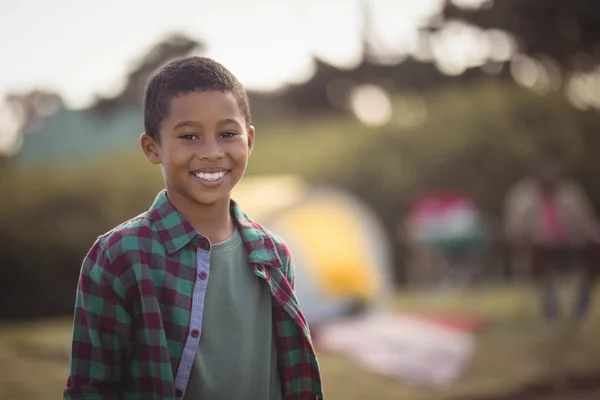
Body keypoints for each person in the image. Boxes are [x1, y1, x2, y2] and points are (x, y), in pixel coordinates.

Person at [63, 57, 323, 400]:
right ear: (152, 148)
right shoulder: (118, 256)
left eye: (228, 134)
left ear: (249, 140)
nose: (212, 152)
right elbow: (91, 388)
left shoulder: (274, 254)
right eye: (189, 136)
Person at [504, 152, 600, 321]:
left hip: (570, 243)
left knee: (596, 247)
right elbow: (513, 230)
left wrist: (593, 236)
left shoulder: (571, 193)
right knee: (537, 248)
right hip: (538, 247)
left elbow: (586, 222)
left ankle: (583, 297)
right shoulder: (522, 197)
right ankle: (549, 299)